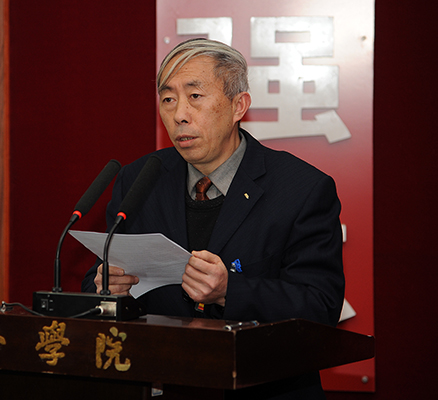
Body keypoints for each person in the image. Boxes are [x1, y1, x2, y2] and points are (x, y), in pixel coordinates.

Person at [82, 38, 344, 399]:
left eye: (195, 96)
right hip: (163, 383)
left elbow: (320, 306)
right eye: (168, 99)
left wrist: (229, 291)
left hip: (264, 387)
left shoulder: (301, 189)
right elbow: (98, 280)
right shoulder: (140, 179)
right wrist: (105, 288)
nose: (179, 114)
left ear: (239, 106)